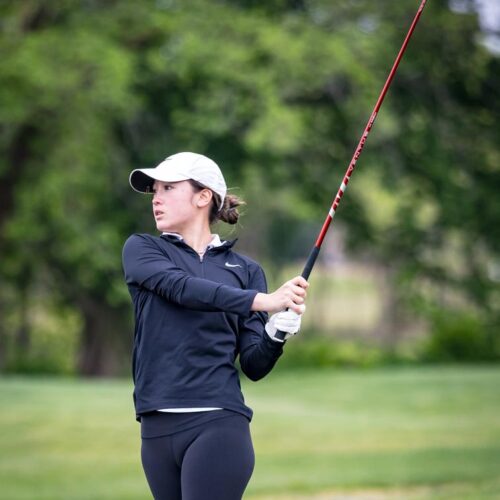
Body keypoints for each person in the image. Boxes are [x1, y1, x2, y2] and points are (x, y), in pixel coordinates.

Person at [122, 152, 308, 500]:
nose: (156, 199)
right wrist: (263, 301)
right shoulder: (142, 250)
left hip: (217, 422)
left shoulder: (246, 270)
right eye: (154, 191)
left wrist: (276, 332)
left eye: (168, 188)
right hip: (156, 427)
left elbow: (254, 364)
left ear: (203, 196)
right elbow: (182, 289)